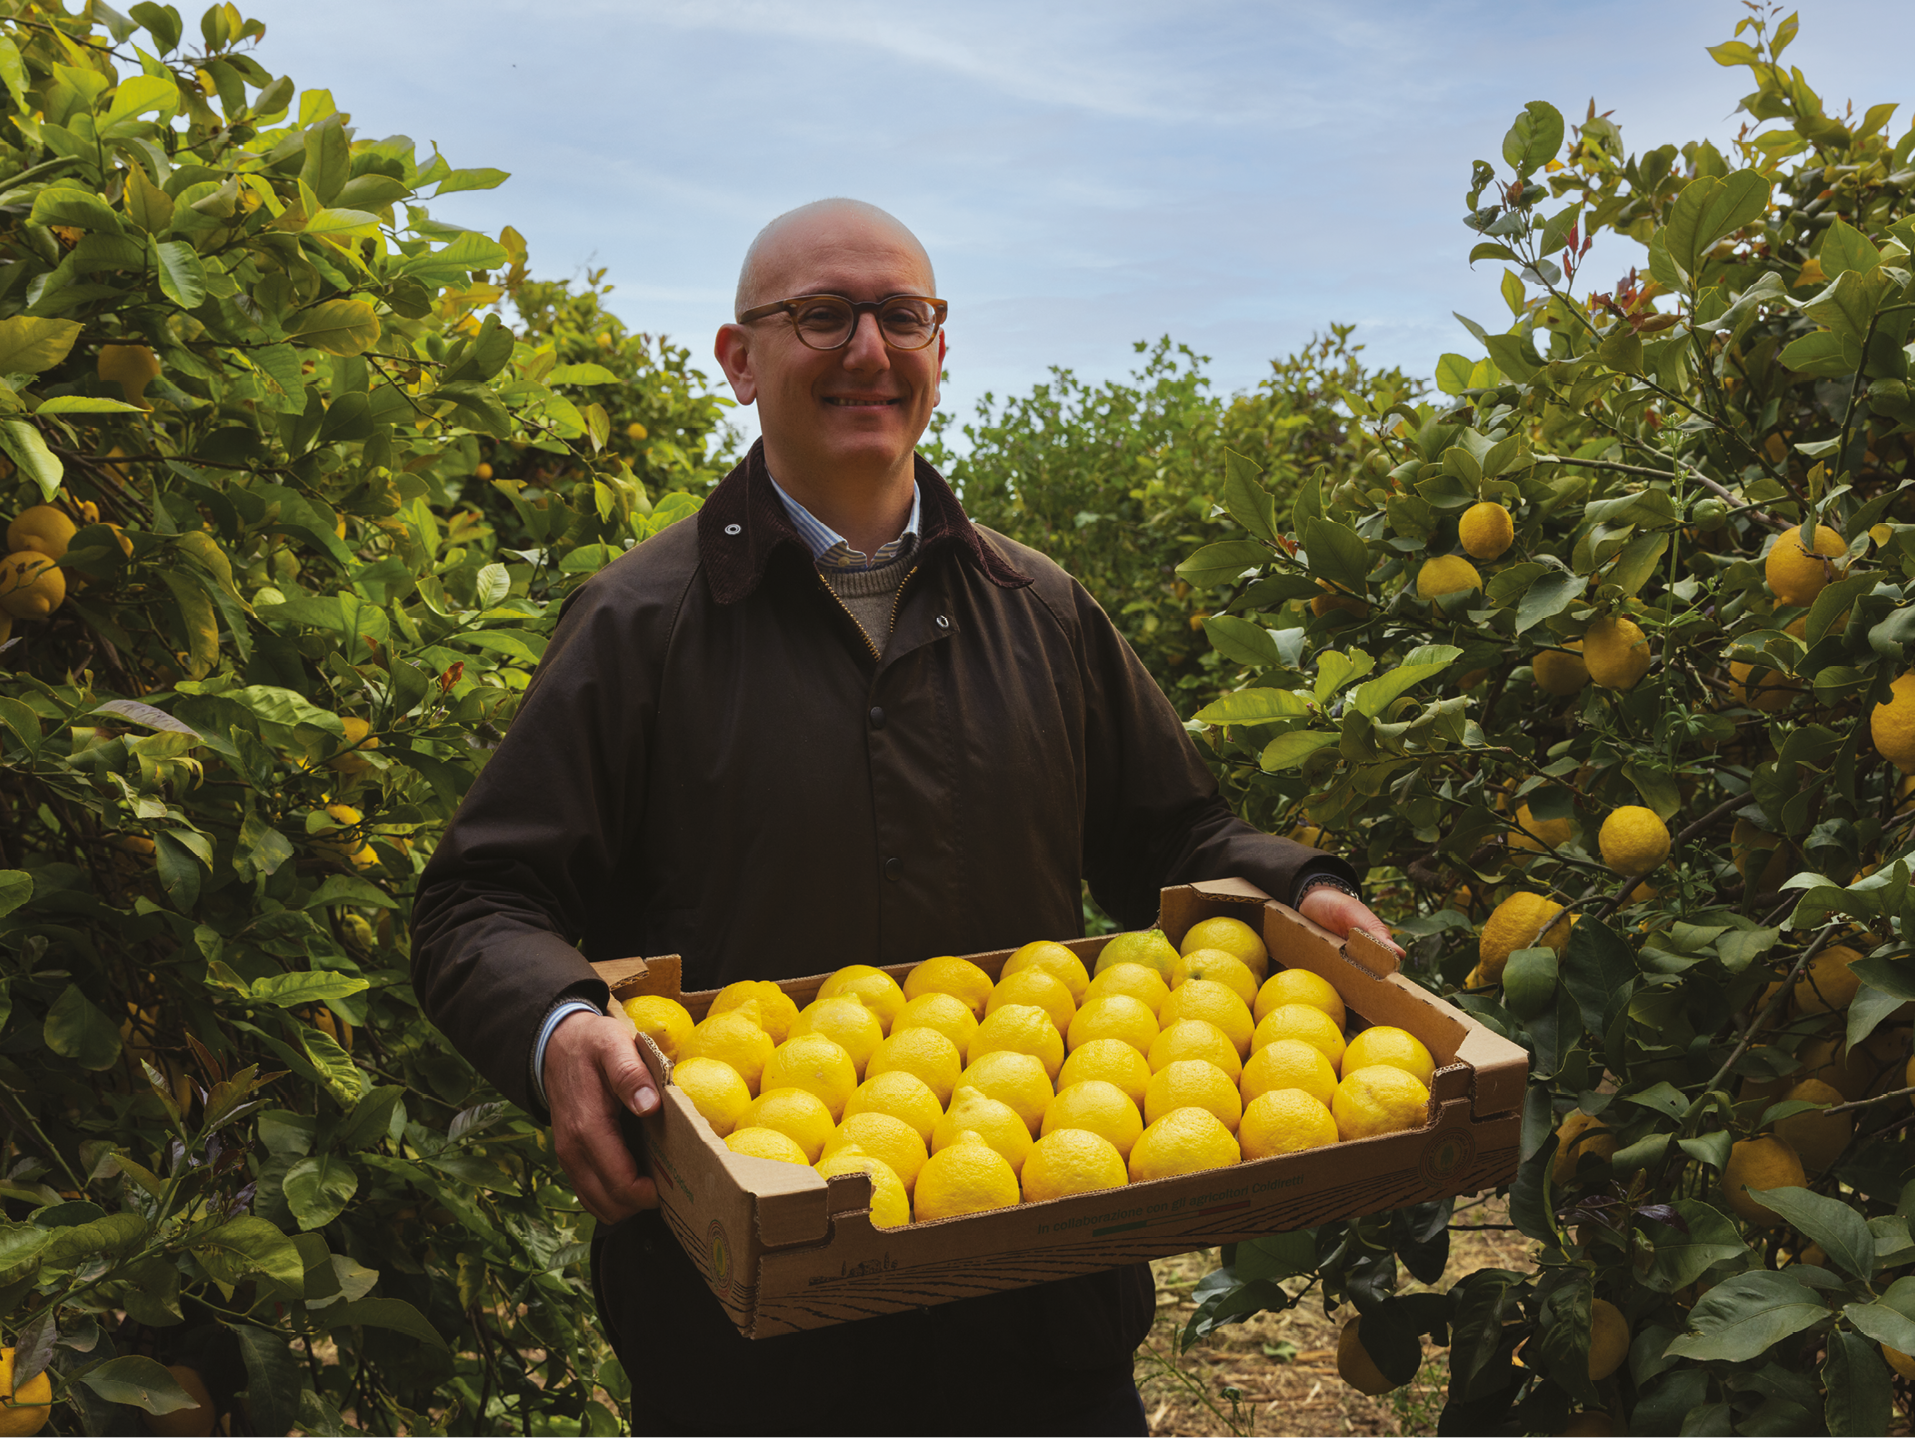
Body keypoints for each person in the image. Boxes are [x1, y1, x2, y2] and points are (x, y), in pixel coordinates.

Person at [411, 198, 1400, 1436]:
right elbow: (478, 902)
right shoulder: (637, 625)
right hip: (749, 1329)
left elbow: (1175, 835)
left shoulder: (1040, 610)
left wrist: (1294, 884)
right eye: (821, 316)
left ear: (943, 346)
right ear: (739, 358)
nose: (868, 349)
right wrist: (556, 1026)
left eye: (902, 316)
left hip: (1039, 1303)